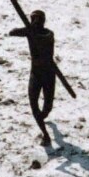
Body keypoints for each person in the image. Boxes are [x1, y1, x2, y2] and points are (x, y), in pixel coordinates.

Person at [8, 10, 56, 145]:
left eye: (37, 20)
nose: (34, 22)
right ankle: (45, 134)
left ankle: (42, 118)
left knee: (47, 107)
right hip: (35, 73)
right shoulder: (30, 32)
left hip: (48, 73)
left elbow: (45, 38)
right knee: (34, 104)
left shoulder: (48, 34)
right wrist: (28, 30)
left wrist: (30, 30)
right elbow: (12, 32)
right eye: (33, 20)